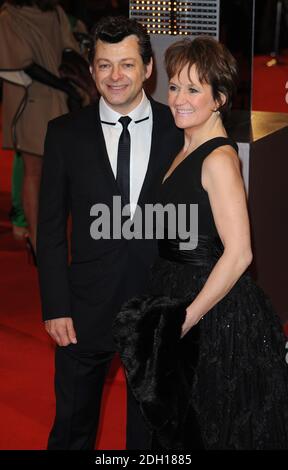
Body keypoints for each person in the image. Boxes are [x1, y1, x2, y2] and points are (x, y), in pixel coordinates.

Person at [113, 36, 288, 450]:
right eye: (174, 86)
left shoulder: (219, 159)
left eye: (193, 89)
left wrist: (187, 318)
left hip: (212, 312)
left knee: (205, 426)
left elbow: (240, 252)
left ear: (219, 98)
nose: (178, 98)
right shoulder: (183, 146)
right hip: (174, 292)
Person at [37, 16, 183, 450]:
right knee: (72, 429)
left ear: (148, 68)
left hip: (156, 306)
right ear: (92, 68)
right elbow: (49, 229)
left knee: (151, 435)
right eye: (104, 65)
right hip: (82, 310)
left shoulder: (178, 129)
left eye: (126, 65)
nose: (115, 77)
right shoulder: (64, 133)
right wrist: (55, 304)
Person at [0, 0, 80, 254]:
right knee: (34, 171)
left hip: (57, 97)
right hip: (31, 98)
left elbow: (69, 50)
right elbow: (24, 63)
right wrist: (67, 87)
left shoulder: (54, 12)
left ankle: (54, 239)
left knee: (61, 175)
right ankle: (36, 241)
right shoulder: (9, 16)